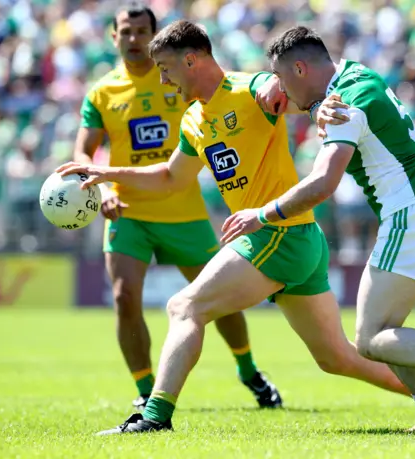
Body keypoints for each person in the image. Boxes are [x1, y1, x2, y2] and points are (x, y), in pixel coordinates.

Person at [58, 19, 415, 435]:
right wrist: (104, 172)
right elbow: (171, 178)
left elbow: (293, 86)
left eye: (167, 68)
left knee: (185, 307)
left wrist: (320, 106)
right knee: (337, 358)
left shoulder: (253, 88)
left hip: (275, 234)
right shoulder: (192, 120)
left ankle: (153, 417)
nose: (164, 80)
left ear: (192, 60)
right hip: (298, 240)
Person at [221, 26, 415, 433]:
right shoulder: (357, 76)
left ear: (300, 68)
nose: (282, 90)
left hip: (412, 215)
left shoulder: (342, 102)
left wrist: (263, 214)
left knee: (371, 340)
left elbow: (323, 183)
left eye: (282, 78)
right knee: (386, 331)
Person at [73, 3, 281, 410]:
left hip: (184, 212)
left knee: (219, 299)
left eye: (140, 31)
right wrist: (103, 188)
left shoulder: (178, 78)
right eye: (125, 31)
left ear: (153, 36)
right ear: (113, 37)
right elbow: (85, 149)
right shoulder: (102, 93)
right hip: (127, 212)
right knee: (123, 296)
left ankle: (249, 371)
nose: (133, 39)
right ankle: (146, 388)